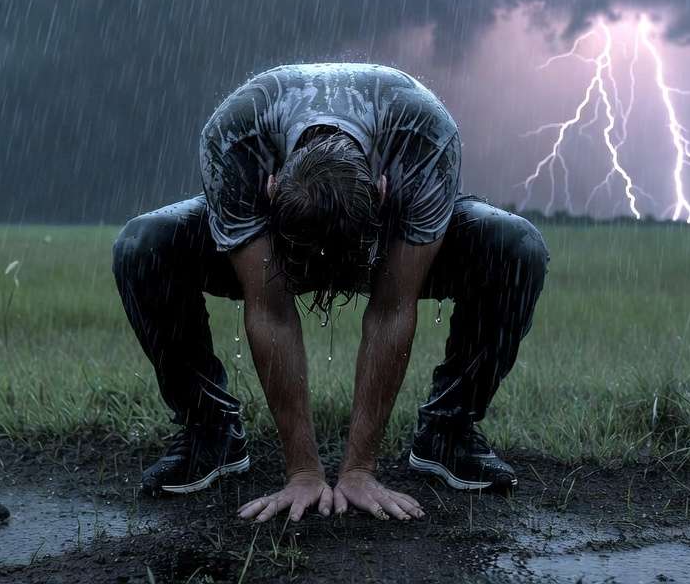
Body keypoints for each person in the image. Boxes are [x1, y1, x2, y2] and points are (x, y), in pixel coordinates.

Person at [112, 63, 548, 522]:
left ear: (384, 192)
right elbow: (271, 310)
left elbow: (391, 308)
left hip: (383, 242)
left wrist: (358, 469)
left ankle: (448, 430)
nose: (325, 275)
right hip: (284, 239)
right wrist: (303, 471)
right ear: (271, 187)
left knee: (515, 247)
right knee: (144, 245)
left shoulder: (424, 136)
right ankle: (209, 430)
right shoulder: (235, 138)